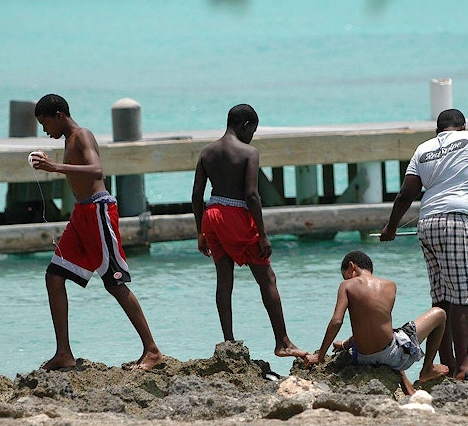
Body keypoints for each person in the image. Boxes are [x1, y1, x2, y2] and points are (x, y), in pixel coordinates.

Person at [30, 93, 163, 371]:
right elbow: (78, 171)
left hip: (99, 211)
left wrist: (55, 167)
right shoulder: (68, 141)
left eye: (45, 124)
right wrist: (52, 161)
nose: (45, 130)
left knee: (114, 282)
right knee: (54, 277)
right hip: (81, 215)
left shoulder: (82, 135)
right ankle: (64, 353)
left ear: (59, 116)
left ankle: (152, 350)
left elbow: (96, 170)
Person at [380, 108, 468, 381]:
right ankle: (463, 364)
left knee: (442, 297)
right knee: (463, 296)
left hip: (427, 224)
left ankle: (444, 362)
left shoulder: (423, 149)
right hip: (459, 221)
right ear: (462, 126)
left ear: (437, 131)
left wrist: (391, 226)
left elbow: (406, 193)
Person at [191, 104, 307, 359]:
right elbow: (252, 195)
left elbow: (197, 195)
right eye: (252, 130)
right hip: (237, 216)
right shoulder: (249, 153)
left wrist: (200, 230)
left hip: (212, 214)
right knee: (267, 279)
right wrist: (262, 234)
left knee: (224, 279)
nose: (252, 136)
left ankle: (228, 343)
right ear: (245, 125)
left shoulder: (206, 152)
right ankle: (283, 342)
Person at [304, 250, 448, 395]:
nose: (345, 279)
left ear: (351, 266)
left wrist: (320, 355)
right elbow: (382, 329)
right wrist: (344, 344)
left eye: (344, 275)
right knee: (440, 314)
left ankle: (406, 382)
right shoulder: (390, 285)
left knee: (387, 335)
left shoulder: (346, 285)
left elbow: (337, 321)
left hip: (363, 359)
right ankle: (427, 368)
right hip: (392, 357)